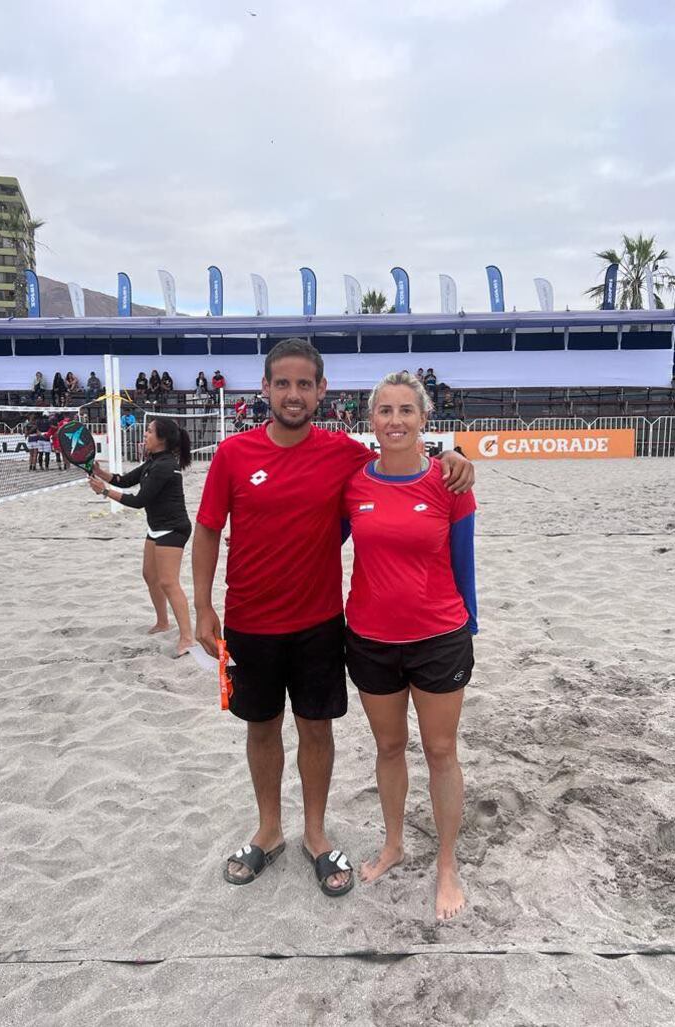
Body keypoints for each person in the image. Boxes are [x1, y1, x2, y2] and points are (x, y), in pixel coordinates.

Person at [192, 338, 474, 897]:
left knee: (316, 728)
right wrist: (202, 606)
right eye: (282, 383)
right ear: (265, 388)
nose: (293, 394)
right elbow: (207, 530)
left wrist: (454, 451)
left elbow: (404, 456)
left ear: (321, 391)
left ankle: (315, 834)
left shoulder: (343, 454)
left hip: (322, 620)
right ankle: (269, 830)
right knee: (261, 726)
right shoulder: (233, 454)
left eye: (304, 384)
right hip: (248, 620)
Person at [341, 371, 477, 921]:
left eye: (405, 411)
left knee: (441, 752)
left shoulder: (451, 483)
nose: (394, 421)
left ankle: (447, 863)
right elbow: (318, 541)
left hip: (439, 637)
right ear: (370, 420)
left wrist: (471, 625)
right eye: (384, 411)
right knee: (389, 749)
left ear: (424, 419)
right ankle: (394, 844)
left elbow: (465, 561)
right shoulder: (354, 485)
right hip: (370, 638)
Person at [90, 417, 196, 658]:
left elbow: (139, 501)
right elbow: (126, 480)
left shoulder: (165, 466)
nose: (145, 435)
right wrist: (102, 473)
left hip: (173, 529)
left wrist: (104, 491)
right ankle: (162, 622)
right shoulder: (153, 462)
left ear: (162, 440)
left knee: (169, 582)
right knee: (150, 575)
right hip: (157, 527)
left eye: (149, 431)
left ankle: (187, 638)